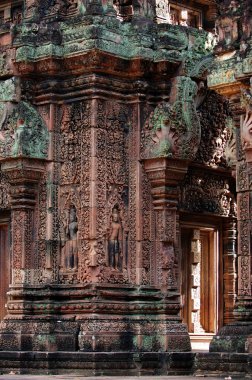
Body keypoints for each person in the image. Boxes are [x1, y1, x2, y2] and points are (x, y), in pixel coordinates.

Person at [108, 206, 123, 270]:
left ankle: (116, 266)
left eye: (117, 217)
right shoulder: (111, 224)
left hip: (116, 240)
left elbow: (119, 236)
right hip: (111, 240)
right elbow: (109, 232)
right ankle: (111, 266)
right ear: (112, 217)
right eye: (114, 217)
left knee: (116, 254)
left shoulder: (119, 225)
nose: (116, 218)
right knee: (111, 253)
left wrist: (120, 245)